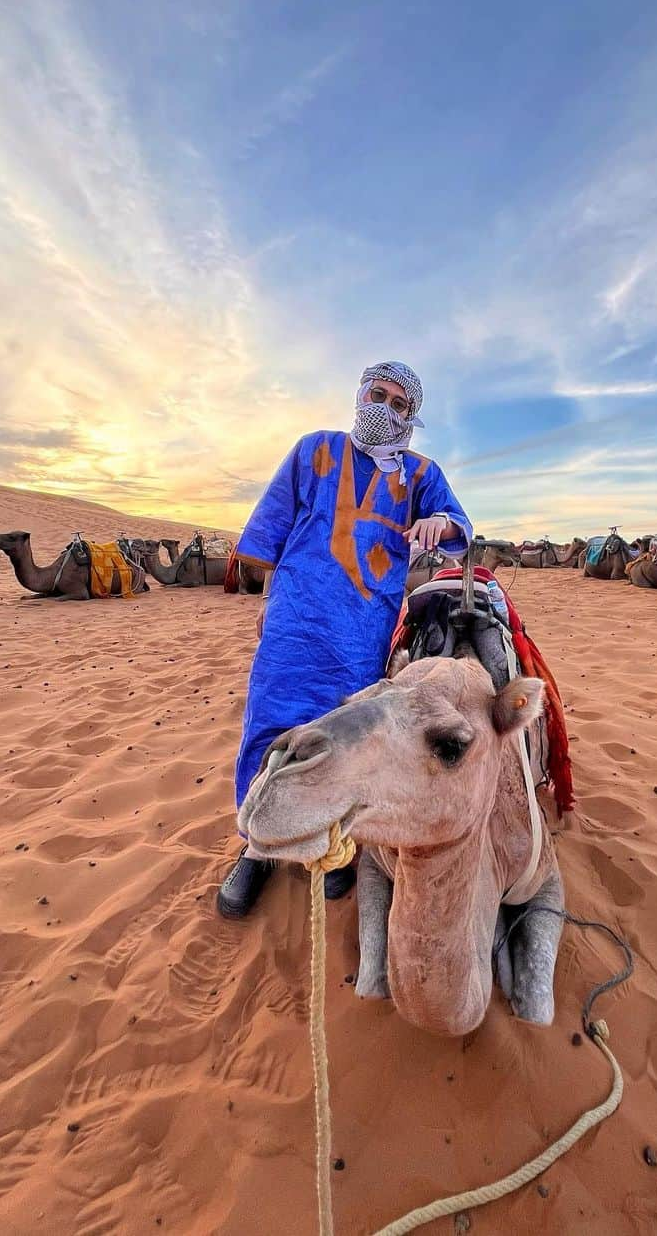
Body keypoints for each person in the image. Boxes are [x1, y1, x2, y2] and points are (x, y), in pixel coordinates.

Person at [217, 361, 472, 919]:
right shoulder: (314, 450)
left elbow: (460, 524)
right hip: (296, 614)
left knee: (345, 731)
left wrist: (441, 525)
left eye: (400, 404)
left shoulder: (421, 473)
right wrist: (268, 602)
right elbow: (273, 525)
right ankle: (257, 846)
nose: (387, 408)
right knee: (271, 721)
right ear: (360, 395)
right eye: (378, 395)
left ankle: (331, 846)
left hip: (364, 625)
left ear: (413, 417)